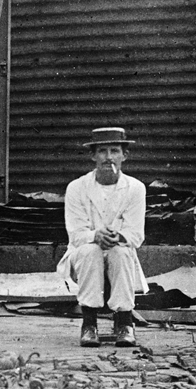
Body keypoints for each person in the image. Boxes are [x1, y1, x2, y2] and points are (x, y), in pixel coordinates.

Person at [58, 126, 147, 348]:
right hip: (85, 254)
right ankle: (89, 324)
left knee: (121, 251)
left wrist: (117, 236)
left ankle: (125, 323)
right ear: (93, 155)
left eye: (115, 151)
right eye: (102, 151)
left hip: (120, 253)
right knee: (90, 250)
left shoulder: (135, 188)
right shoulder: (77, 188)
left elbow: (136, 235)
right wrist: (95, 235)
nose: (109, 158)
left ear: (125, 155)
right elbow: (76, 235)